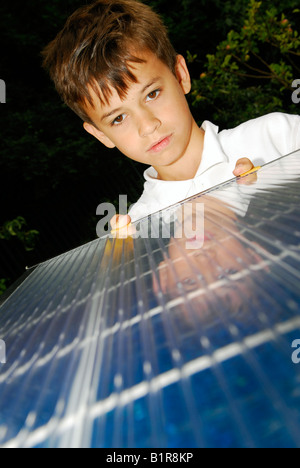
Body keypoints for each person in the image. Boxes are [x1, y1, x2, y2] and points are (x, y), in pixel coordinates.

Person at [42, 0, 300, 236]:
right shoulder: (140, 230)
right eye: (118, 119)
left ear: (180, 75)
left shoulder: (276, 138)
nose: (148, 125)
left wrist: (282, 189)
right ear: (100, 134)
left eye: (152, 94)